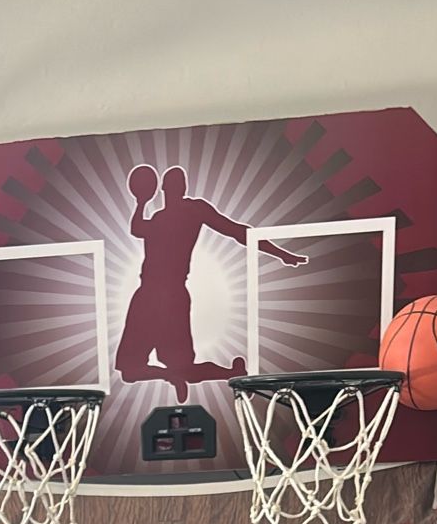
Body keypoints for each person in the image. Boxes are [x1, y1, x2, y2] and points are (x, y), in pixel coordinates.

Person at [116, 164, 308, 400]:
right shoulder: (164, 216)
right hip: (160, 295)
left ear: (164, 188)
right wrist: (142, 201)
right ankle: (213, 374)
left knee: (138, 371)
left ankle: (197, 374)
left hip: (157, 295)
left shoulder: (189, 211)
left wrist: (280, 253)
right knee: (147, 371)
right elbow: (137, 229)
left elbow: (238, 231)